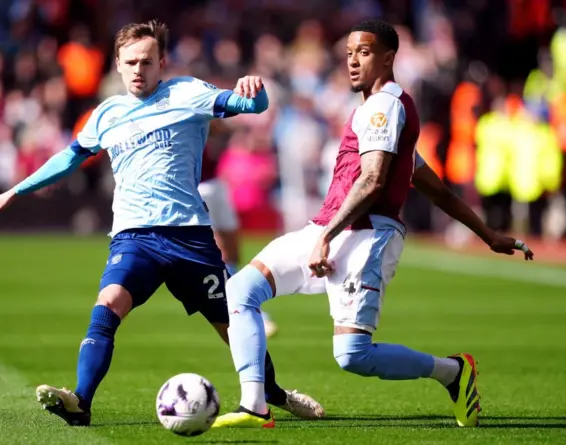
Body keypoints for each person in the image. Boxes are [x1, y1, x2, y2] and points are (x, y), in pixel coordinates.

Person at [213, 19, 534, 429]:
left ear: (388, 57)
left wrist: (325, 239)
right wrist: (488, 235)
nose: (352, 61)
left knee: (352, 356)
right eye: (348, 53)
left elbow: (373, 179)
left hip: (365, 235)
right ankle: (255, 404)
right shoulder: (378, 110)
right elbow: (434, 187)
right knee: (240, 288)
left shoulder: (386, 106)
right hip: (330, 226)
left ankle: (453, 372)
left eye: (363, 53)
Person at [0, 19, 323, 427]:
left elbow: (250, 108)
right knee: (108, 305)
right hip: (135, 237)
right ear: (117, 65)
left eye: (147, 62)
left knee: (233, 324)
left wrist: (254, 95)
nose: (139, 70)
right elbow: (69, 157)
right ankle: (80, 402)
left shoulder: (187, 93)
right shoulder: (106, 114)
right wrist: (16, 191)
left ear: (161, 62)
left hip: (190, 237)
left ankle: (272, 393)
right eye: (131, 62)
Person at [198, 172, 279, 338]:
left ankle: (239, 307)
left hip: (218, 182)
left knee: (233, 254)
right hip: (197, 185)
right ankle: (249, 313)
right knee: (222, 253)